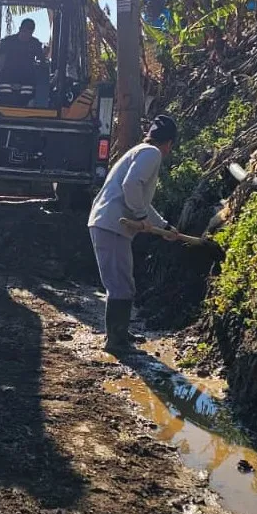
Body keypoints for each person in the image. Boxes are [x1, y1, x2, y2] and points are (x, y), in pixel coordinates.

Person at [86, 114, 180, 352]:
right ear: (168, 143)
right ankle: (115, 341)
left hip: (109, 223)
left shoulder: (140, 151)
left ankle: (120, 333)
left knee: (123, 282)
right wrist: (140, 217)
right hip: (112, 224)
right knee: (120, 284)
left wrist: (164, 227)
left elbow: (141, 200)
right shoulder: (152, 153)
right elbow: (130, 186)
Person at [0, 18, 45, 107]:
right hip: (7, 78)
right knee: (5, 98)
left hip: (27, 80)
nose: (26, 35)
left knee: (26, 98)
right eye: (24, 31)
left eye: (29, 33)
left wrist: (44, 55)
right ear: (20, 29)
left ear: (32, 32)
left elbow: (42, 59)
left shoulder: (35, 43)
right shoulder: (8, 41)